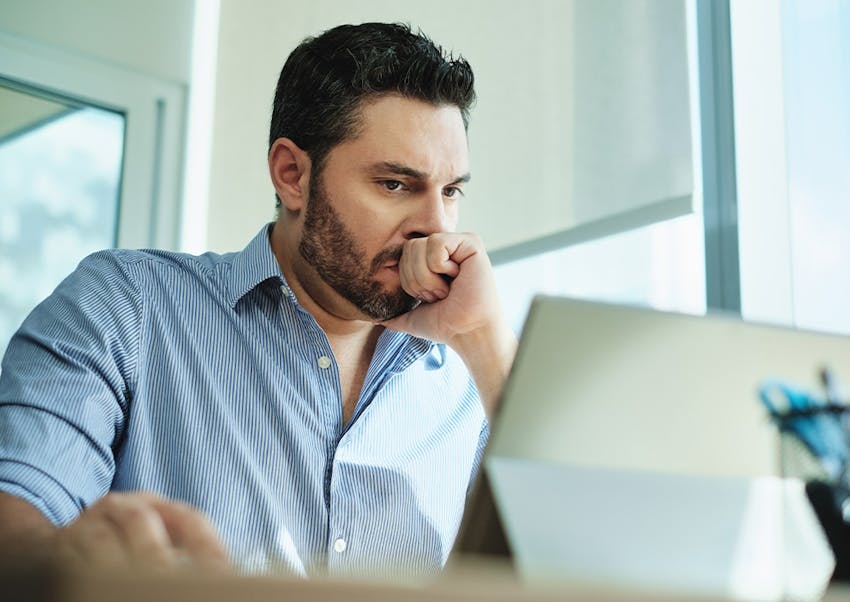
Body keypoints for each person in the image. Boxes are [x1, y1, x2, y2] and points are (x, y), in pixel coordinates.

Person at [0, 22, 516, 576]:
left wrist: (484, 345)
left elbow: (589, 560)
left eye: (451, 192)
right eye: (395, 184)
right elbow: (17, 523)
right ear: (291, 174)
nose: (437, 227)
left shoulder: (470, 382)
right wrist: (72, 560)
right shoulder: (124, 307)